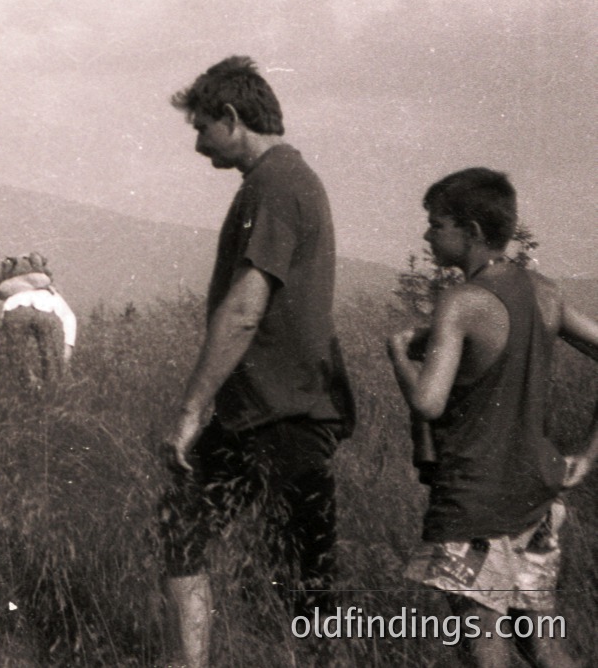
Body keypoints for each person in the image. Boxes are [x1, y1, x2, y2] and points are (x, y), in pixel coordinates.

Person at [157, 56, 354, 668]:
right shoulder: (275, 184)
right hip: (260, 415)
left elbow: (246, 308)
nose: (196, 144)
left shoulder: (276, 186)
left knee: (303, 586)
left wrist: (191, 409)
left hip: (285, 416)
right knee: (181, 531)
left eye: (201, 127)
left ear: (233, 118)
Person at [388, 168, 598, 668]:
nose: (427, 234)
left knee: (484, 648)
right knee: (540, 642)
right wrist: (589, 456)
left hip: (475, 503)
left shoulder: (460, 303)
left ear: (473, 231)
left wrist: (398, 354)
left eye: (437, 225)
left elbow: (429, 404)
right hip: (538, 498)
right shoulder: (545, 292)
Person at [0, 254, 76, 383]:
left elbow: (2, 323)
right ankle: (53, 389)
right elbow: (69, 317)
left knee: (16, 359)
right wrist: (67, 348)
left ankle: (29, 383)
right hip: (46, 309)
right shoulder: (51, 292)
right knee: (52, 360)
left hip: (14, 310)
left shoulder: (12, 296)